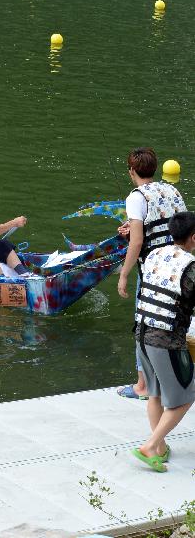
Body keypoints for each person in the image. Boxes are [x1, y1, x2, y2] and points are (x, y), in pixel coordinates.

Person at [116, 147, 187, 400]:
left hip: (152, 271)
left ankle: (143, 385)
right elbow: (179, 227)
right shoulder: (172, 190)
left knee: (144, 324)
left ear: (132, 171)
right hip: (179, 268)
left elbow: (136, 243)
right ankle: (176, 374)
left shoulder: (136, 197)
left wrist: (124, 274)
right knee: (173, 320)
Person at [130, 211, 195, 473]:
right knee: (186, 395)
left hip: (141, 333)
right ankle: (150, 445)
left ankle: (159, 449)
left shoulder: (155, 253)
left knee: (154, 392)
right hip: (165, 340)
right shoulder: (190, 267)